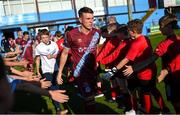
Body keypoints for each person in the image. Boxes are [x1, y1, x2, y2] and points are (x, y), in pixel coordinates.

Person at [102, 19, 165, 114]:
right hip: (150, 68)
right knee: (152, 90)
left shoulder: (136, 43)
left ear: (133, 31)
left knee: (145, 93)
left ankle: (147, 111)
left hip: (143, 72)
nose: (127, 32)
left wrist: (112, 71)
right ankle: (164, 110)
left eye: (128, 30)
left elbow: (126, 59)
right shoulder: (145, 38)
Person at [123, 14, 180, 113]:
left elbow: (152, 59)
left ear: (169, 27)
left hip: (172, 79)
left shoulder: (164, 44)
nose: (159, 29)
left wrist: (134, 68)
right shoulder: (177, 40)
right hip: (173, 77)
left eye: (161, 26)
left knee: (175, 102)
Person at [56, 7, 100, 113]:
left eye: (92, 18)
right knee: (89, 97)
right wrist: (60, 72)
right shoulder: (71, 34)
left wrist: (97, 61)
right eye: (88, 19)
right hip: (81, 72)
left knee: (91, 98)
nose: (91, 21)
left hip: (93, 71)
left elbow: (96, 48)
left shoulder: (97, 33)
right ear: (80, 20)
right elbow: (65, 53)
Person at [35, 29, 62, 113]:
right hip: (46, 70)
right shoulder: (38, 47)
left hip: (55, 68)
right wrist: (38, 71)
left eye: (46, 37)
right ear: (40, 38)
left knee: (57, 87)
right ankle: (58, 109)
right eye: (43, 38)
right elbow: (37, 59)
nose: (45, 39)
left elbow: (58, 54)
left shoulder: (54, 44)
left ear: (49, 36)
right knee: (53, 87)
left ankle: (56, 100)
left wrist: (54, 56)